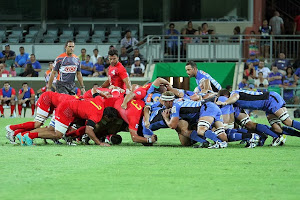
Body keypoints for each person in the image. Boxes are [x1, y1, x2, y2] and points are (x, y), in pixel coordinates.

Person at [15, 94, 112, 147]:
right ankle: (29, 135)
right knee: (58, 135)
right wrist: (99, 143)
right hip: (67, 110)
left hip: (65, 106)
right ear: (107, 116)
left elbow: (96, 93)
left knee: (51, 129)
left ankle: (24, 135)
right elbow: (88, 130)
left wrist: (105, 94)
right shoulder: (97, 115)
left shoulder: (100, 101)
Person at [216, 89, 300, 145]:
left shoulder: (234, 93)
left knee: (287, 122)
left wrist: (224, 103)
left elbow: (235, 97)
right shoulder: (234, 104)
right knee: (277, 129)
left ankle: (277, 137)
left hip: (270, 99)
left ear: (225, 96)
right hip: (266, 106)